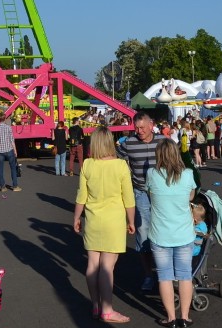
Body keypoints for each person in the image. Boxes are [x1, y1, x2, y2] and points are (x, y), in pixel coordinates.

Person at [72, 127, 135, 324]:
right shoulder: (121, 165)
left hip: (93, 220)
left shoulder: (88, 165)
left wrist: (76, 217)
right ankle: (107, 310)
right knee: (107, 267)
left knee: (92, 265)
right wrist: (131, 221)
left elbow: (81, 195)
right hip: (114, 221)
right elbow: (129, 198)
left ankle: (96, 305)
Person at [146, 140, 197, 328]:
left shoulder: (151, 174)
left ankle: (171, 318)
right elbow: (191, 196)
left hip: (160, 233)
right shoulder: (188, 174)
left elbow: (150, 194)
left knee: (164, 276)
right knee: (185, 275)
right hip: (183, 232)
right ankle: (185, 317)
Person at [118, 111, 162, 292]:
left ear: (151, 125)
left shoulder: (163, 142)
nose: (139, 131)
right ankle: (148, 275)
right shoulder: (129, 143)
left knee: (163, 232)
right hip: (141, 192)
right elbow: (115, 160)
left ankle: (163, 273)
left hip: (162, 193)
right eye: (136, 128)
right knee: (143, 233)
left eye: (142, 127)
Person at [0, 114, 20, 192]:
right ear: (5, 119)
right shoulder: (8, 128)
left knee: (0, 168)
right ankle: (15, 186)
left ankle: (3, 187)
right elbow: (12, 140)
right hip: (9, 150)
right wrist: (15, 150)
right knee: (13, 168)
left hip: (1, 152)